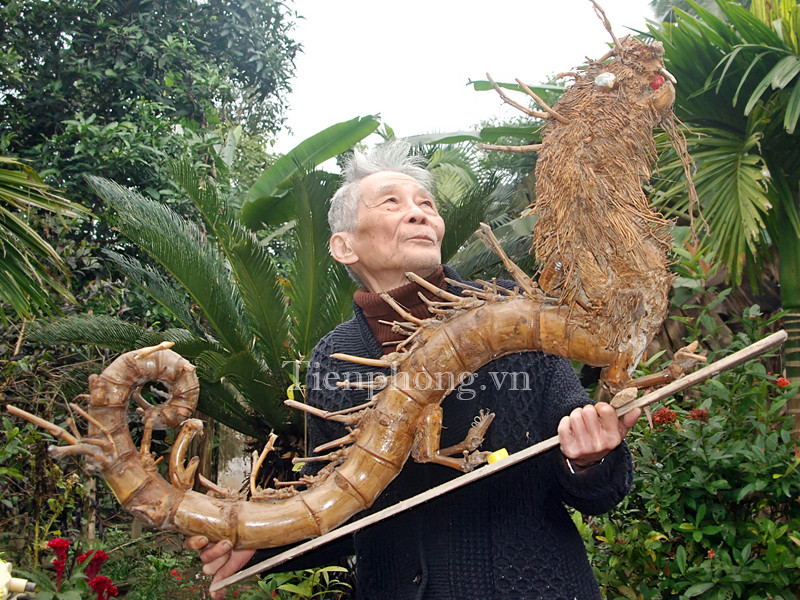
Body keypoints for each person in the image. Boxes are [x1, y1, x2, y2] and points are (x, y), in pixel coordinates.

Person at [187, 140, 642, 599]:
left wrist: (590, 460)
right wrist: (258, 542)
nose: (419, 214)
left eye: (427, 204)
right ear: (345, 246)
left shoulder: (518, 316)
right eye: (392, 202)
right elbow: (338, 511)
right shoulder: (334, 357)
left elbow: (599, 489)